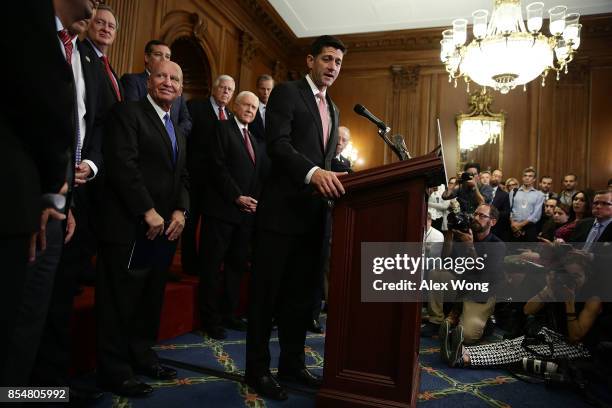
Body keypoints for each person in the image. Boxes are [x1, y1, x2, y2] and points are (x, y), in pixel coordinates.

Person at [245, 35, 347, 401]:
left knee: (300, 299)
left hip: (314, 220)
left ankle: (292, 364)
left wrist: (337, 176)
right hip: (281, 214)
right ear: (310, 60)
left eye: (337, 61)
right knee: (266, 297)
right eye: (327, 59)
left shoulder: (333, 109)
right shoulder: (288, 93)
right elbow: (278, 145)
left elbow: (326, 159)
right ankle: (255, 370)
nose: (332, 66)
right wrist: (314, 172)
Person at [0, 0, 97, 386]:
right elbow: (36, 112)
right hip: (23, 201)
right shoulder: (24, 20)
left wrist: (63, 197)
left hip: (56, 201)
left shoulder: (77, 55)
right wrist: (50, 191)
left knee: (34, 319)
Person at [95, 60, 189, 397]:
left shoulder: (177, 129)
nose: (168, 82)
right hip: (129, 226)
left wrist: (181, 210)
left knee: (149, 299)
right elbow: (123, 164)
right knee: (120, 300)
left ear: (181, 88)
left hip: (163, 231)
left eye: (175, 78)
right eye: (162, 75)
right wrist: (147, 210)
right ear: (149, 81)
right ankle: (114, 370)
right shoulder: (128, 113)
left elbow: (183, 177)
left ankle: (141, 356)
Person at [441, 253, 600, 370]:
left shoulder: (592, 300)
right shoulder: (558, 289)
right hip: (550, 336)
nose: (571, 280)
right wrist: (549, 290)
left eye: (577, 276)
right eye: (567, 275)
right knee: (512, 344)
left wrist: (570, 303)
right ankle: (461, 350)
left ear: (587, 277)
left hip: (576, 348)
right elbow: (528, 309)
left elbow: (575, 337)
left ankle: (465, 359)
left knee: (521, 352)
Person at [198, 91, 268, 339]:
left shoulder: (257, 140)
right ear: (235, 106)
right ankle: (210, 319)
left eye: (254, 107)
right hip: (221, 210)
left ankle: (229, 314)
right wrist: (237, 197)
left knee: (236, 267)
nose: (250, 109)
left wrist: (254, 202)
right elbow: (216, 167)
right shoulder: (221, 128)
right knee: (212, 266)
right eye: (246, 105)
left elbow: (258, 175)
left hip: (246, 215)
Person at [183, 75, 235, 275]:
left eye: (230, 90)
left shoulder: (230, 117)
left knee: (210, 227)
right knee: (190, 222)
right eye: (222, 88)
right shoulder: (195, 107)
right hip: (195, 176)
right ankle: (189, 264)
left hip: (217, 182)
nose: (226, 92)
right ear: (214, 89)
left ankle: (206, 263)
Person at [433, 204, 505, 344]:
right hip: (462, 287)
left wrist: (470, 248)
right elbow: (446, 260)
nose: (476, 218)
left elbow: (485, 275)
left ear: (493, 222)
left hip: (481, 293)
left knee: (466, 336)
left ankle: (482, 322)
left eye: (482, 216)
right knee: (437, 273)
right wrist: (449, 234)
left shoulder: (498, 245)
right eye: (475, 214)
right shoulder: (465, 235)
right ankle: (436, 320)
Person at [120, 40, 191, 137]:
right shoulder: (132, 81)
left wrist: (172, 136)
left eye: (167, 56)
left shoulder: (174, 87)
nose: (164, 59)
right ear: (147, 57)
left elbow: (186, 121)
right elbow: (131, 115)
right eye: (158, 54)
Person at [509, 167, 545, 242]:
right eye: (525, 176)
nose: (527, 178)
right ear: (522, 178)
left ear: (534, 179)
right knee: (512, 252)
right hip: (513, 227)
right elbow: (509, 209)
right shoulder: (514, 192)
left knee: (529, 253)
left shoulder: (539, 194)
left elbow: (536, 215)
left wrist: (520, 225)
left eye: (530, 176)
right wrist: (513, 224)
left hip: (529, 228)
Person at [250, 74, 274, 142]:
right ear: (257, 88)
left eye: (269, 89)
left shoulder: (278, 110)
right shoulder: (250, 107)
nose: (266, 92)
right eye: (262, 89)